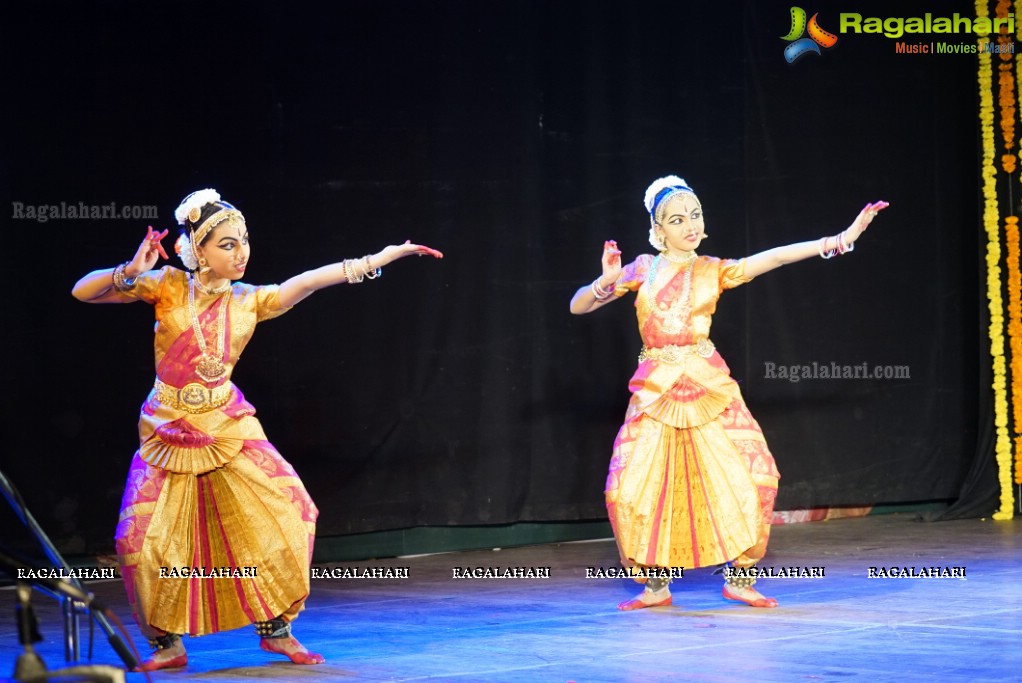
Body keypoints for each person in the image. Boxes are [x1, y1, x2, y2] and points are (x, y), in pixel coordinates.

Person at [71, 189, 443, 670]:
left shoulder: (251, 300)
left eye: (243, 241)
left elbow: (306, 281)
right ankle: (167, 644)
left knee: (290, 512)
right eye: (227, 244)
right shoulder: (164, 285)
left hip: (227, 425)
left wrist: (379, 259)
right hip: (166, 427)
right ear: (198, 250)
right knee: (142, 539)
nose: (241, 252)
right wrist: (130, 269)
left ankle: (277, 629)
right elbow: (82, 290)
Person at [570, 176, 886, 611]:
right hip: (655, 391)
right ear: (658, 230)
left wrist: (840, 239)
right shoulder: (642, 268)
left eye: (695, 215)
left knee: (757, 476)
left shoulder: (713, 270)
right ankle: (655, 586)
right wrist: (604, 283)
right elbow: (578, 305)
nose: (689, 226)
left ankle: (740, 578)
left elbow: (773, 257)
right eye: (676, 220)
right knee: (629, 489)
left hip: (710, 385)